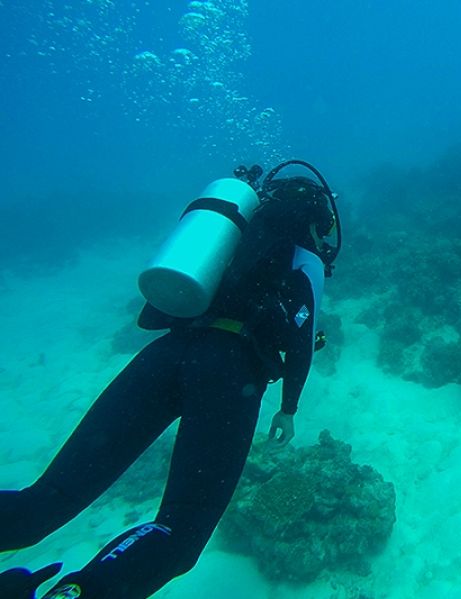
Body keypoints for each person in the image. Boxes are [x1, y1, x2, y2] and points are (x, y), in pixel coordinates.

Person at [0, 159, 342, 599]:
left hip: (164, 356)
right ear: (317, 218)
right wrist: (289, 408)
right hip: (229, 373)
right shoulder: (304, 255)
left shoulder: (225, 240)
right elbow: (301, 343)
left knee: (46, 500)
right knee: (179, 533)